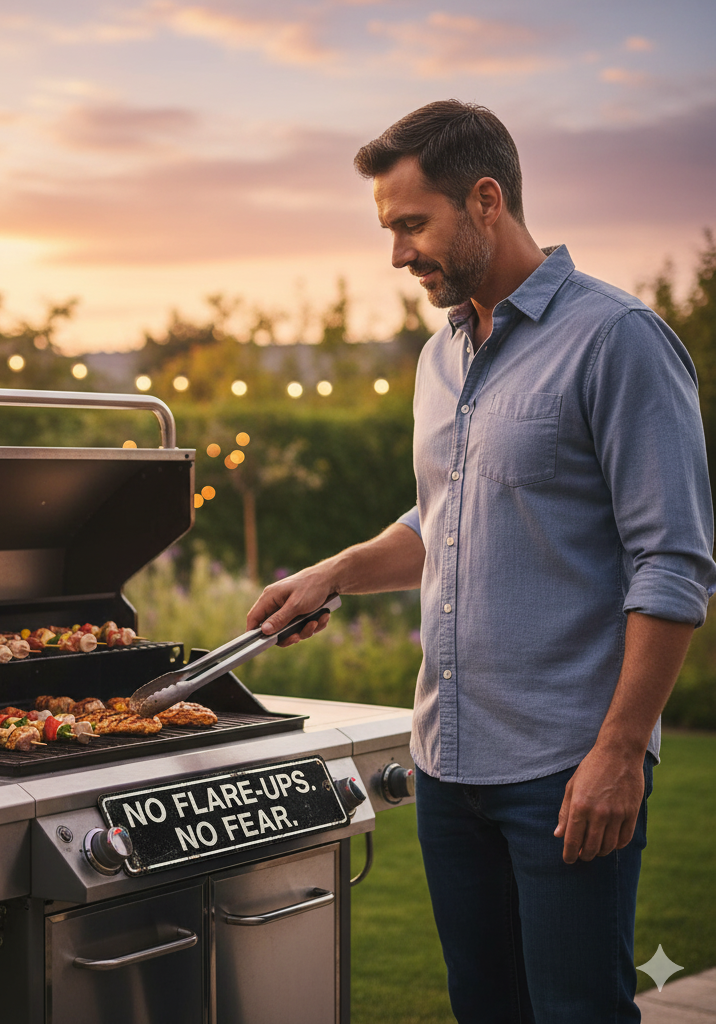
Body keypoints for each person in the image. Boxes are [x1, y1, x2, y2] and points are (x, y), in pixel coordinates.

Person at [247, 100, 716, 1023]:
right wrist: (334, 572)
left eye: (413, 225)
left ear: (487, 200)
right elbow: (441, 518)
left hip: (565, 766)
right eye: (389, 230)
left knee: (578, 1011)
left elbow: (674, 564)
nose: (397, 255)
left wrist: (621, 752)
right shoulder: (439, 356)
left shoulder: (617, 341)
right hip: (449, 767)